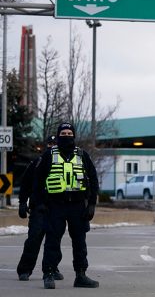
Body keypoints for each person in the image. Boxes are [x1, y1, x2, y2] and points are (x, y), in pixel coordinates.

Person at [33, 123, 100, 289]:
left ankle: (81, 275)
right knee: (52, 241)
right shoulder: (49, 155)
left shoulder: (82, 155)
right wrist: (40, 203)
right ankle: (48, 274)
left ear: (74, 135)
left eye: (70, 133)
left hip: (78, 206)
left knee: (79, 241)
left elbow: (93, 178)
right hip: (55, 205)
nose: (67, 135)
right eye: (63, 133)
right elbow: (38, 181)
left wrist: (91, 204)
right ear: (58, 135)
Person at [16, 136, 64, 281]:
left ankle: (52, 268)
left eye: (54, 144)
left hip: (57, 209)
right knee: (33, 239)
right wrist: (22, 203)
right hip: (39, 208)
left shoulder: (63, 164)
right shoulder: (37, 163)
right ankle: (24, 270)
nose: (52, 146)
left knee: (54, 241)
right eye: (49, 144)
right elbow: (25, 184)